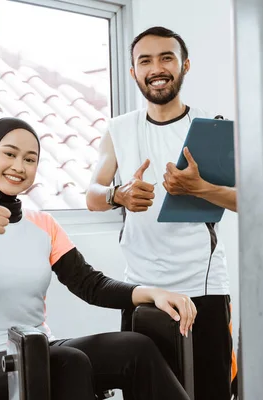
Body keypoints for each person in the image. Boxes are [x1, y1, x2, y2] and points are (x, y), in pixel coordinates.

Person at [0, 117, 197, 400]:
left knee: (135, 348)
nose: (19, 166)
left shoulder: (44, 225)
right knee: (70, 362)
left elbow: (90, 284)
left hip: (40, 351)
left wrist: (152, 293)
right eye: (9, 154)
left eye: (30, 159)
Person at [86, 26, 238, 400]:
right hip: (143, 290)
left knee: (210, 392)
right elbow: (92, 195)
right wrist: (117, 195)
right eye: (145, 60)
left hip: (204, 287)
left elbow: (249, 200)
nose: (157, 68)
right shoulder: (118, 129)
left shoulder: (211, 126)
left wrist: (200, 188)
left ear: (184, 65)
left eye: (166, 58)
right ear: (134, 72)